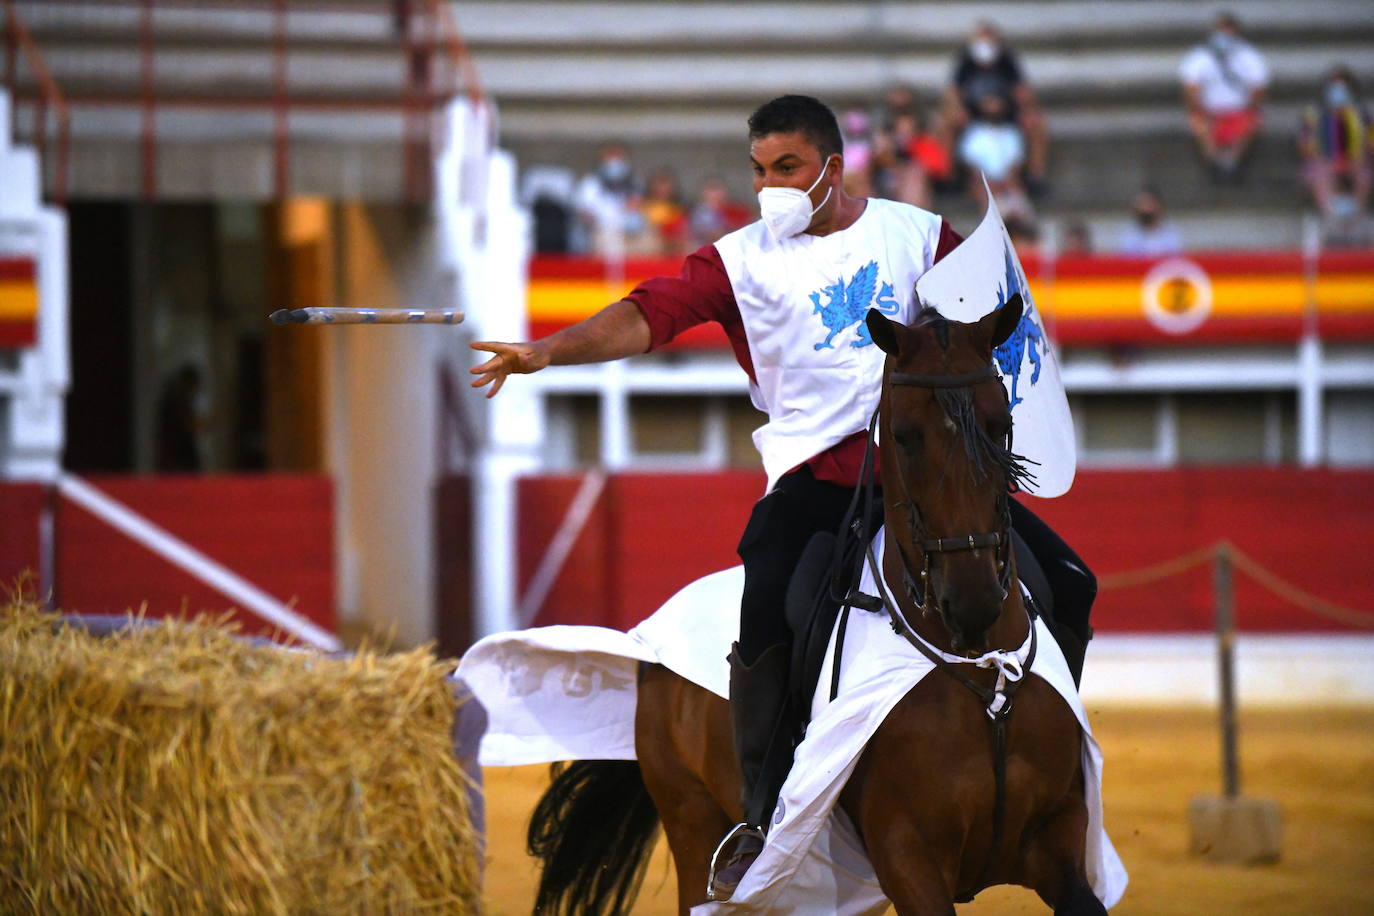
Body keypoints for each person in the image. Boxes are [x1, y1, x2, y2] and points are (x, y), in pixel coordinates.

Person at [469, 95, 1096, 899]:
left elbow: (984, 326)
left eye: (787, 169)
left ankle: (1054, 769)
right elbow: (647, 316)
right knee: (770, 610)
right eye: (759, 170)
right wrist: (546, 352)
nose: (770, 187)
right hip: (814, 483)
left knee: (1073, 583)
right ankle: (759, 817)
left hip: (921, 475)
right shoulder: (741, 260)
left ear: (834, 168)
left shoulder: (914, 235)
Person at [942, 20, 1049, 193]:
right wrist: (958, 109)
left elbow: (1023, 91)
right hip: (973, 117)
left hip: (1005, 116)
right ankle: (949, 176)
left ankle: (1035, 175)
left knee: (1035, 122)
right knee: (945, 123)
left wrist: (1025, 110)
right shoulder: (966, 61)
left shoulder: (1007, 60)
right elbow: (952, 92)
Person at [1179, 12, 1268, 183]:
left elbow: (1258, 89)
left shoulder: (1249, 57)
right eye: (1221, 32)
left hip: (1239, 111)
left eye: (1229, 32)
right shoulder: (1199, 57)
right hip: (1209, 113)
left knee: (1253, 121)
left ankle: (1232, 163)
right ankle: (1212, 162)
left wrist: (1249, 109)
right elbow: (1190, 89)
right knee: (1198, 123)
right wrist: (1199, 110)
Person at [1299, 66, 1372, 220]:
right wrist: (1328, 160)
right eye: (1333, 86)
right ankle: (1329, 216)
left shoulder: (1362, 113)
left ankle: (1356, 217)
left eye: (1342, 86)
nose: (1337, 90)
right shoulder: (1313, 113)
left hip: (1355, 160)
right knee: (1319, 174)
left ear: (1350, 88)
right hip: (1324, 160)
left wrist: (1355, 159)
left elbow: (1371, 143)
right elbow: (1304, 145)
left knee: (1365, 175)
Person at [574, 142, 644, 256]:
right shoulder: (590, 184)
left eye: (618, 156)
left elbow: (637, 208)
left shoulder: (634, 183)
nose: (614, 161)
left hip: (630, 234)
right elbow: (584, 214)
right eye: (610, 156)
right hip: (600, 232)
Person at [1116, 185, 1183, 257]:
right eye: (1141, 204)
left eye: (1148, 203)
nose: (1145, 209)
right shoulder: (1129, 235)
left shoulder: (1170, 233)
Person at [687, 175, 752, 247]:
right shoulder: (696, 214)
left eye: (719, 189)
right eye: (712, 189)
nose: (716, 194)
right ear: (703, 192)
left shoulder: (736, 211)